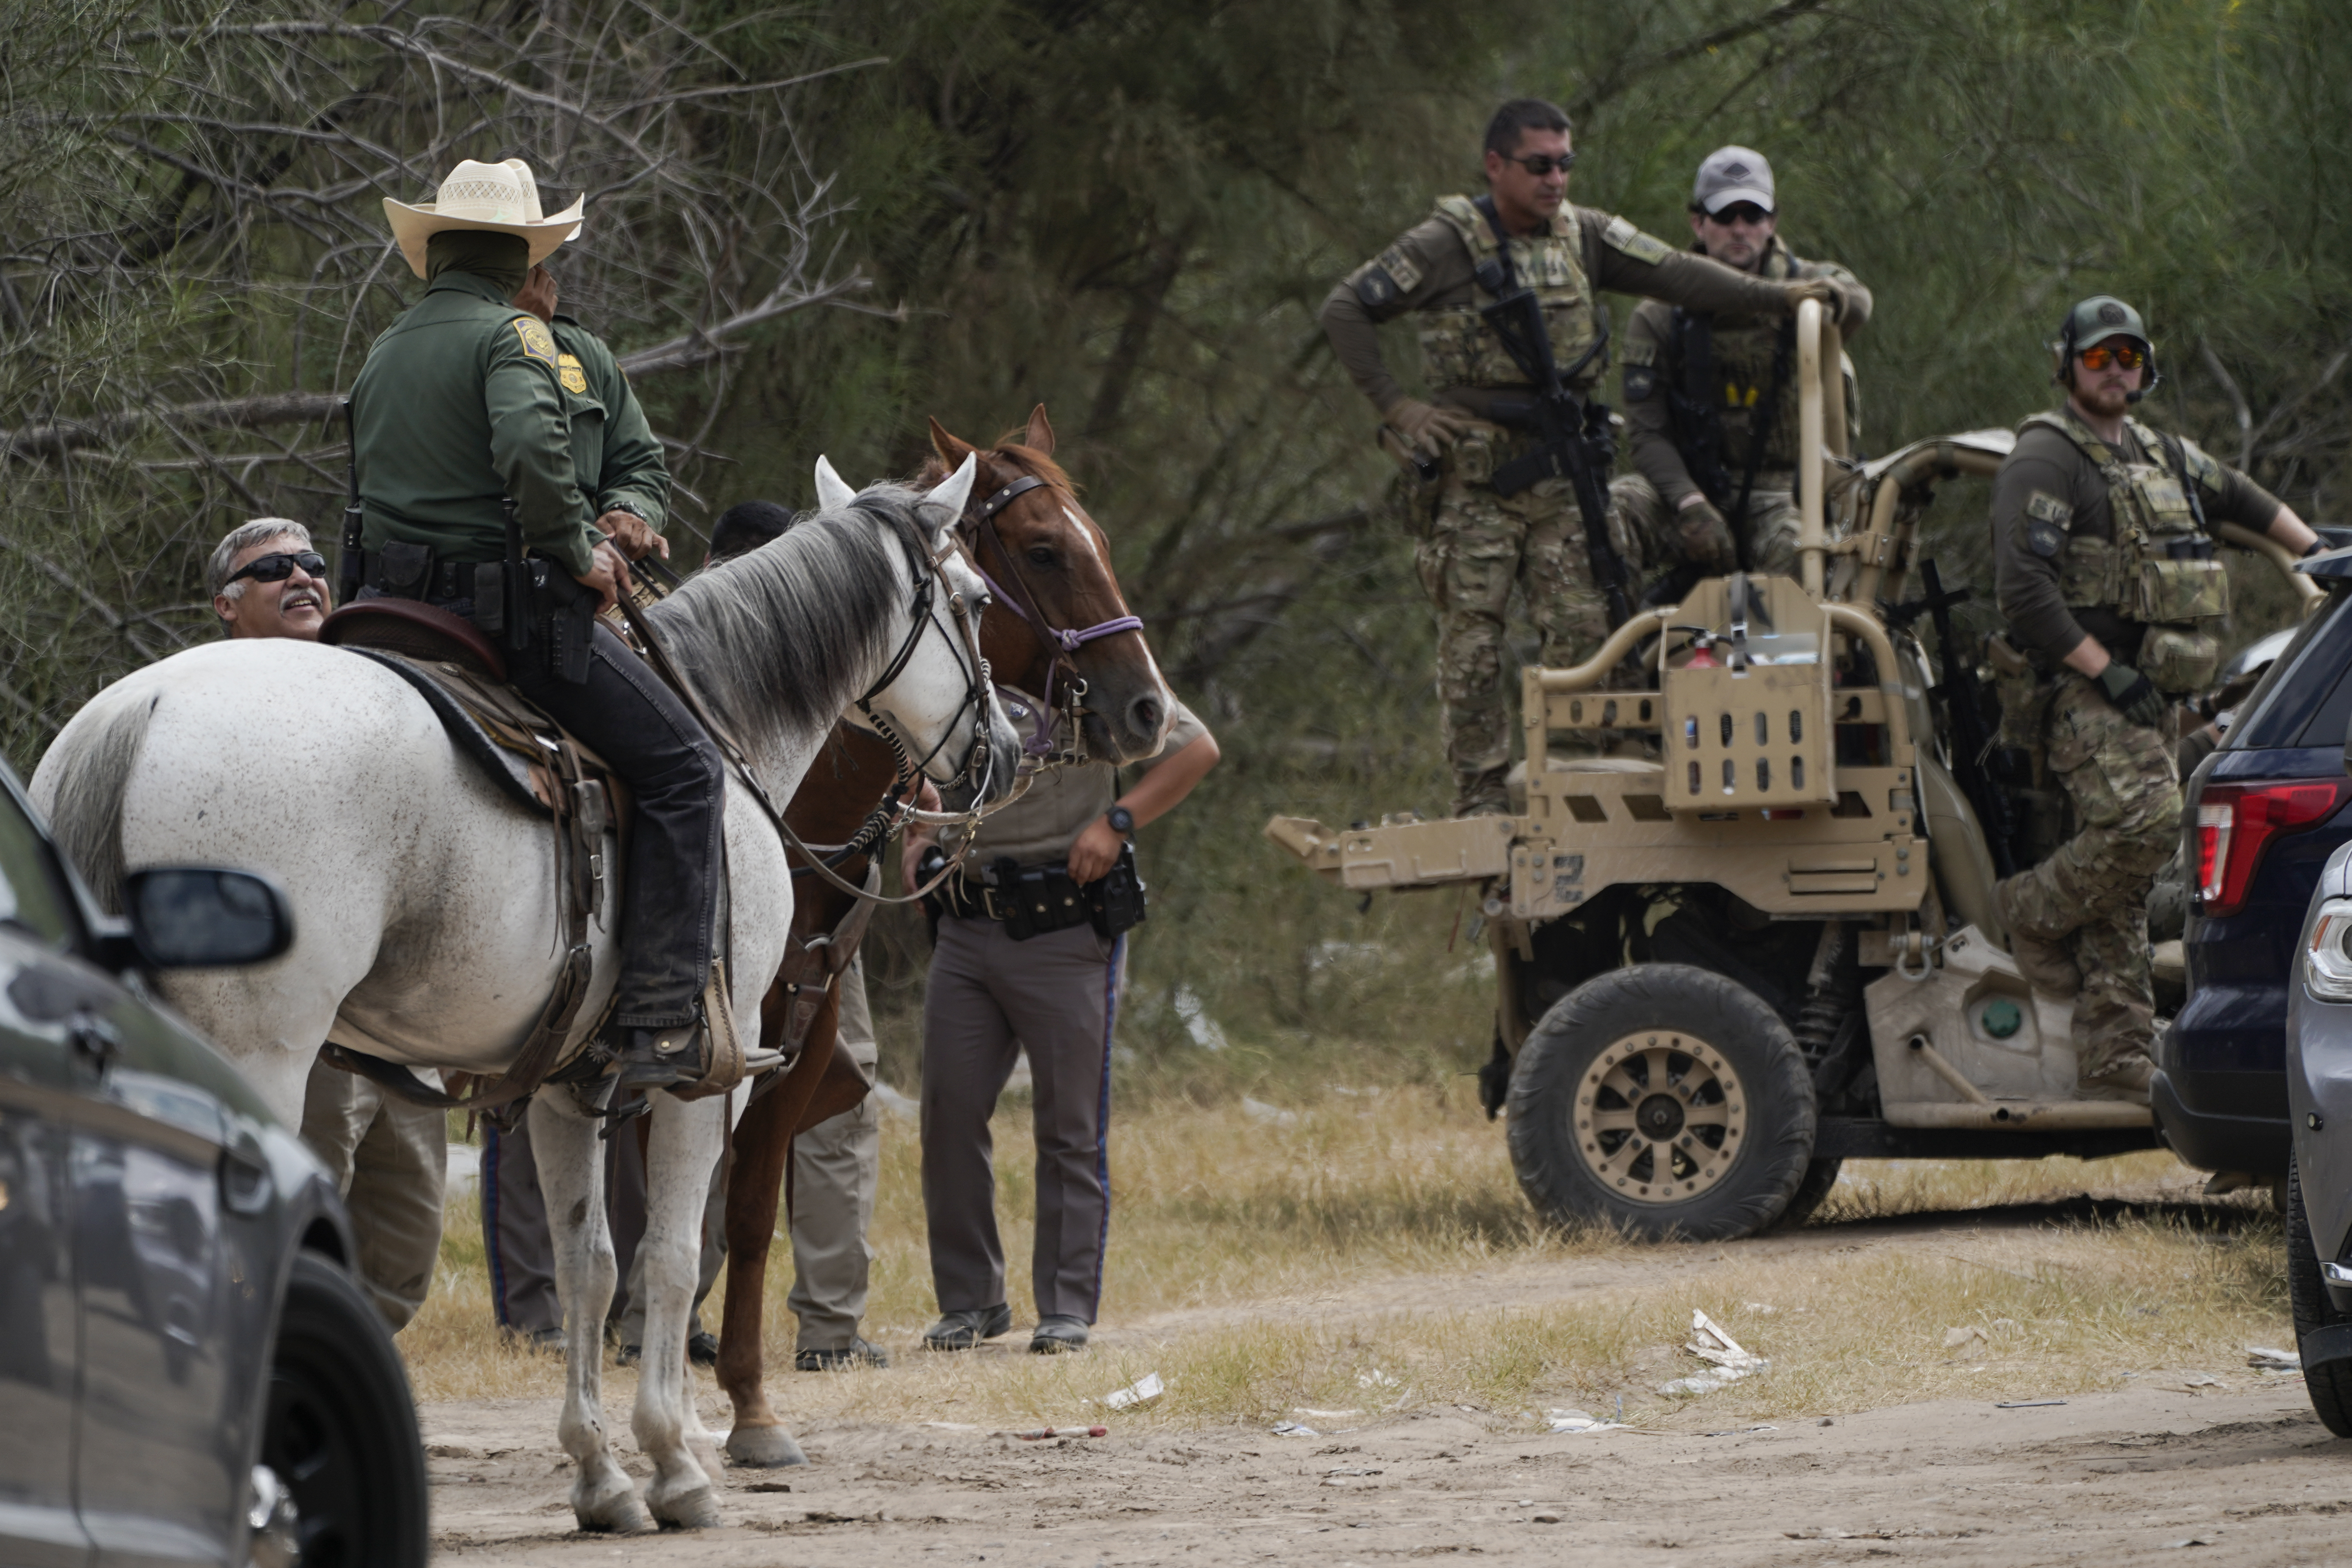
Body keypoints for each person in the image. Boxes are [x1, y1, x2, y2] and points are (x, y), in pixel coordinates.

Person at [1319, 98, 1839, 817]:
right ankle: (1480, 795)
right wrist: (1398, 408)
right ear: (1495, 165)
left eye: (1566, 163)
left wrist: (1781, 296)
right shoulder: (1446, 243)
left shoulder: (1583, 234)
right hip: (1478, 479)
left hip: (1563, 472)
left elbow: (1681, 274)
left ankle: (1589, 768)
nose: (1556, 178)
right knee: (1472, 641)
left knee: (1588, 626)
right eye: (1540, 165)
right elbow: (1346, 309)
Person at [353, 155, 721, 1097]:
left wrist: (624, 508)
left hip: (386, 613)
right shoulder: (515, 335)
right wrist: (580, 551)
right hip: (503, 616)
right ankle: (658, 1017)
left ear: (437, 253)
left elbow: (378, 486)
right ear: (521, 258)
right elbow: (527, 450)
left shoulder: (388, 345)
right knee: (686, 764)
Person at [1990, 295, 2321, 1094]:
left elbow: (2241, 498)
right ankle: (2026, 908)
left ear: (2145, 369)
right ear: (2066, 362)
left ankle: (2114, 1054)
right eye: (2098, 357)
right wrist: (2103, 667)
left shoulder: (2161, 453)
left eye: (2128, 357)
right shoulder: (2045, 456)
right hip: (2078, 691)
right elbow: (2022, 591)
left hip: (2152, 694)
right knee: (2143, 827)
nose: (2114, 371)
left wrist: (2313, 551)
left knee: (2127, 881)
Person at [905, 702, 1219, 1355]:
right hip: (965, 924)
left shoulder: (1087, 665)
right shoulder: (953, 661)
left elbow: (1196, 749)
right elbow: (901, 752)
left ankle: (1065, 1306)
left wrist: (1117, 821)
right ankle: (970, 1300)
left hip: (1064, 924)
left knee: (1068, 1124)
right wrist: (916, 835)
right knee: (948, 1112)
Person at [210, 517, 448, 1330]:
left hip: (401, 1014)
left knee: (407, 1237)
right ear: (227, 604)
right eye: (274, 568)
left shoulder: (375, 686)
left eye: (312, 561)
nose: (303, 575)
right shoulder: (204, 706)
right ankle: (266, 1383)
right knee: (303, 1207)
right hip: (290, 1012)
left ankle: (345, 1389)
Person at [1614, 146, 1871, 578]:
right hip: (1691, 490)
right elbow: (1647, 433)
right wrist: (1690, 503)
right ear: (1698, 222)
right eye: (1725, 216)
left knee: (1801, 554)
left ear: (1772, 222)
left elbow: (1857, 300)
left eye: (1752, 216)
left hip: (1782, 495)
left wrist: (1829, 303)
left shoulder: (1804, 286)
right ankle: (1620, 640)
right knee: (1611, 513)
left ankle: (1780, 645)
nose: (1740, 229)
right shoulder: (1660, 314)